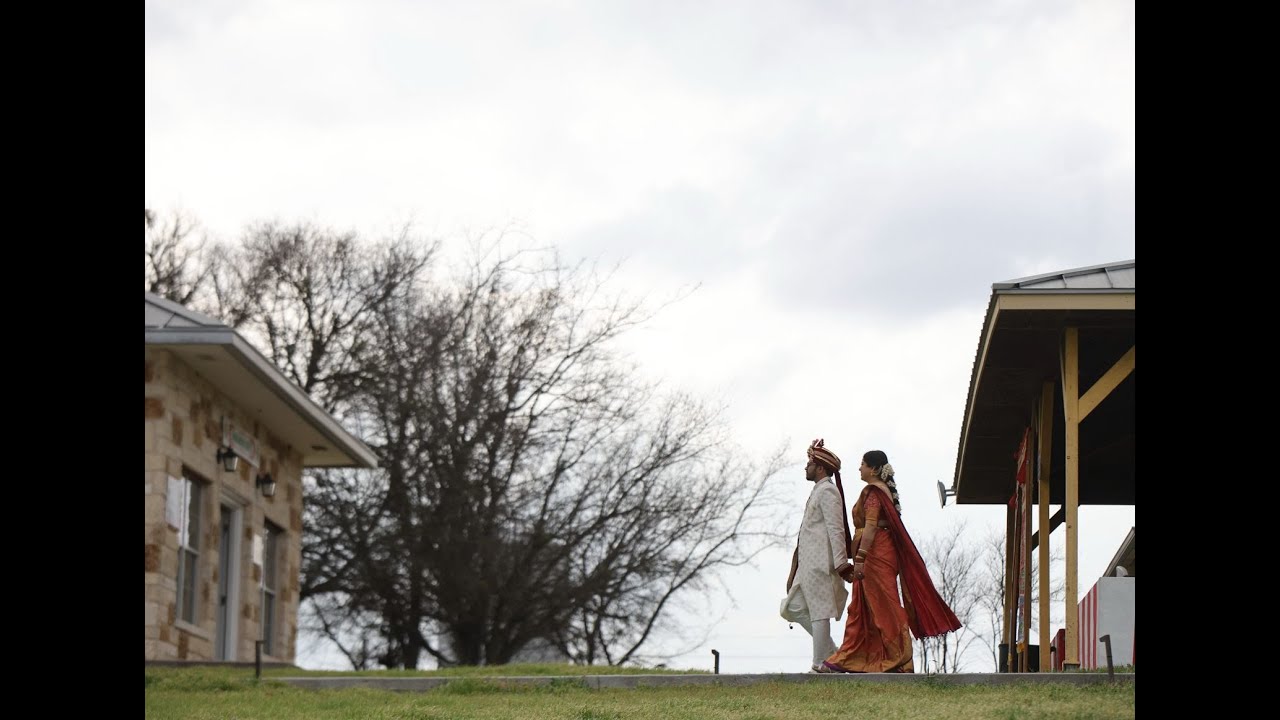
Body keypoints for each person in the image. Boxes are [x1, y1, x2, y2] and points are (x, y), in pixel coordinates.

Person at [819, 450, 961, 673]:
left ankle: (900, 659)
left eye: (862, 464)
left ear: (874, 469)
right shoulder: (878, 491)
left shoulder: (873, 492)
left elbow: (872, 525)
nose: (859, 468)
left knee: (885, 606)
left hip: (876, 554)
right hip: (876, 552)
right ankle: (854, 658)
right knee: (863, 607)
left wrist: (861, 557)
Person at [782, 438, 856, 672]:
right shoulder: (818, 491)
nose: (806, 467)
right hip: (808, 563)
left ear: (820, 467)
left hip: (822, 562)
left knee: (820, 610)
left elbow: (836, 528)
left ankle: (819, 664)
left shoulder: (828, 491)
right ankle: (832, 655)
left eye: (809, 463)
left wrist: (841, 562)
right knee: (791, 607)